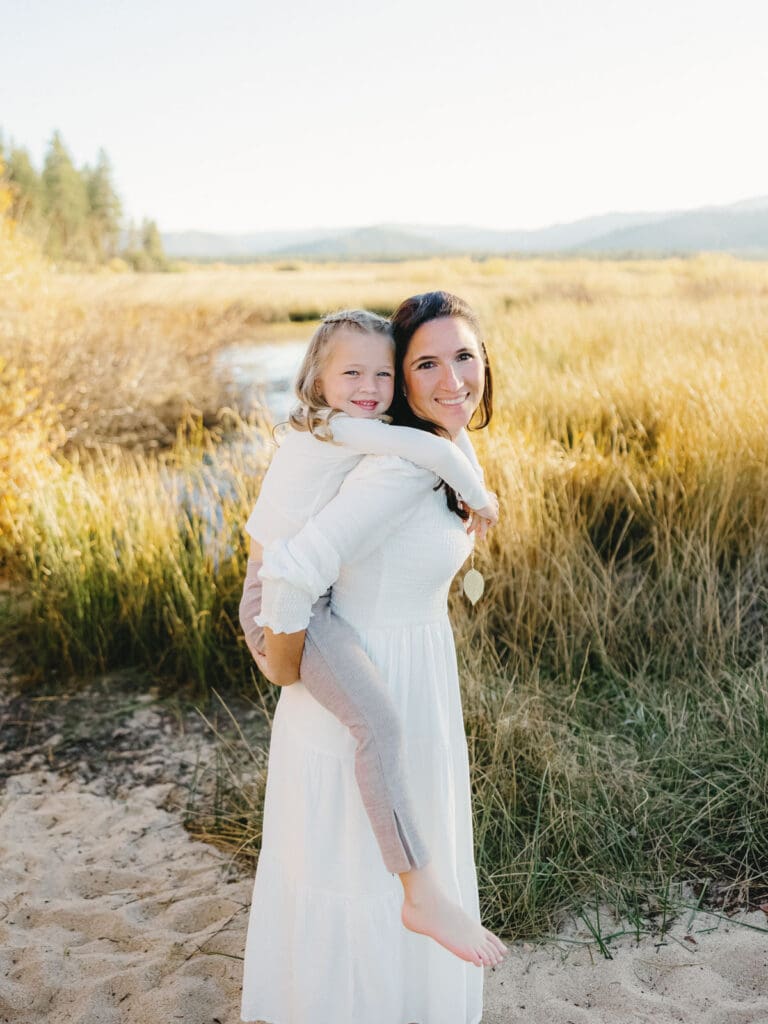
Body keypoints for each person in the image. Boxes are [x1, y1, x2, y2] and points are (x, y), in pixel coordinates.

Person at [241, 293, 506, 1024]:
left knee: (356, 875)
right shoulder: (397, 463)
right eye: (426, 362)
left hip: (412, 667)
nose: (451, 378)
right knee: (359, 881)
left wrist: (474, 490)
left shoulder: (426, 443)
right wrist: (279, 662)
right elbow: (289, 575)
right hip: (351, 662)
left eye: (464, 356)